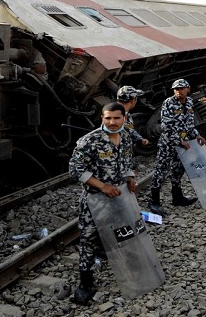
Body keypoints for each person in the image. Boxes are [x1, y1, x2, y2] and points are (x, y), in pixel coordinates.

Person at [68, 102, 137, 305]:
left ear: (124, 118)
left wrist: (130, 177)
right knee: (88, 240)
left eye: (116, 118)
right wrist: (102, 186)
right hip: (94, 200)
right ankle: (85, 283)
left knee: (123, 232)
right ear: (102, 118)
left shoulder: (125, 138)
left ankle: (127, 269)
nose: (112, 122)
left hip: (119, 197)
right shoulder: (89, 141)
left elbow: (126, 162)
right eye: (108, 118)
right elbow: (74, 170)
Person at [150, 79, 204, 214]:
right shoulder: (168, 103)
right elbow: (166, 126)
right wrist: (179, 141)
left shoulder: (190, 102)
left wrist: (196, 135)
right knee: (161, 171)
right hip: (168, 144)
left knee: (178, 170)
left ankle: (178, 198)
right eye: (176, 89)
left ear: (188, 89)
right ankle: (154, 202)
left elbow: (190, 123)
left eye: (181, 88)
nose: (178, 91)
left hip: (183, 143)